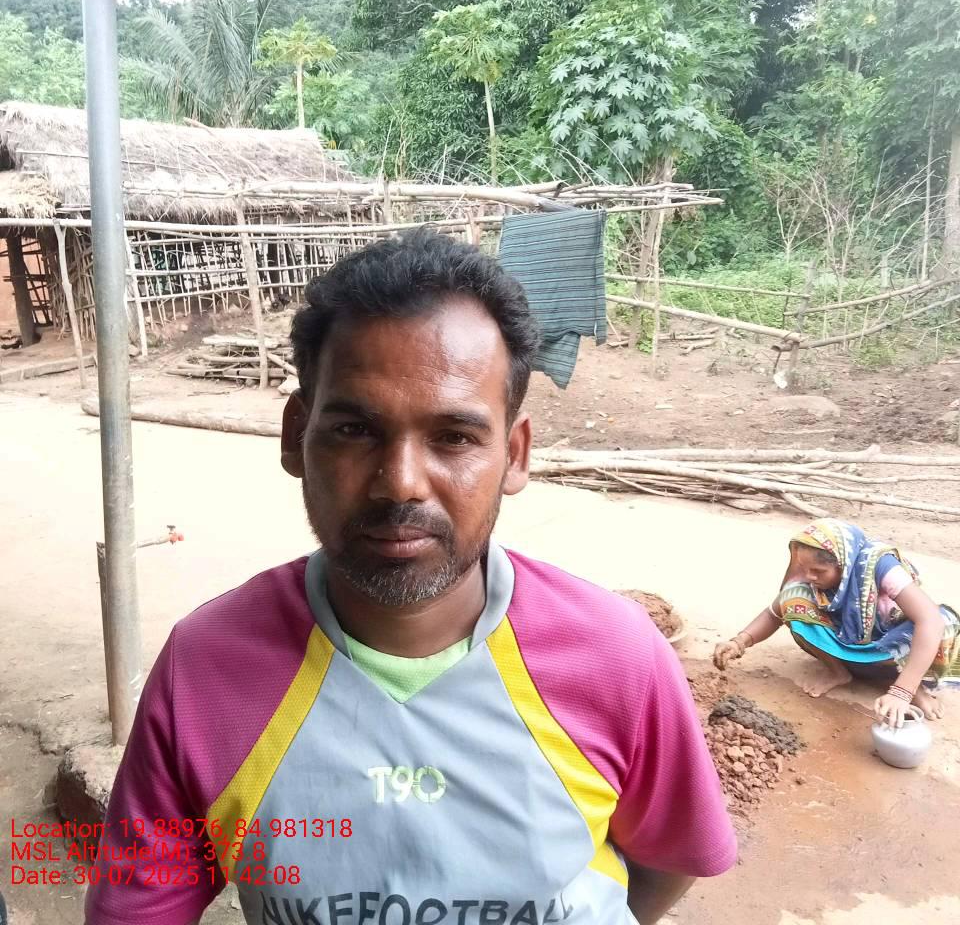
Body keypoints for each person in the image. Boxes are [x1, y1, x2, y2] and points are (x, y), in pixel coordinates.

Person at [85, 230, 735, 925]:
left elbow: (671, 859)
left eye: (454, 437)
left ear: (515, 456)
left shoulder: (617, 656)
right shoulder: (205, 671)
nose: (400, 483)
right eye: (355, 430)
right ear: (296, 437)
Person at [714, 518, 959, 728]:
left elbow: (930, 620)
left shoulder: (880, 566)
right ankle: (838, 671)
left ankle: (912, 685)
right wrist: (739, 642)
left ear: (844, 563)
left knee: (944, 622)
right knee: (792, 598)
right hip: (848, 642)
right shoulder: (812, 576)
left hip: (891, 646)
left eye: (818, 571)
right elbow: (773, 613)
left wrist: (902, 692)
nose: (809, 576)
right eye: (804, 568)